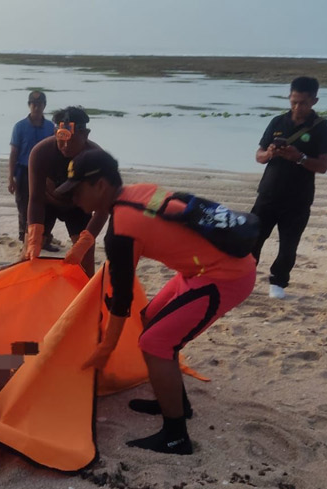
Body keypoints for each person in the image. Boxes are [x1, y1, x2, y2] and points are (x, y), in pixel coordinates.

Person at [58, 150, 255, 454]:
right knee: (150, 318)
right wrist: (87, 237)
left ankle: (176, 436)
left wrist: (106, 348)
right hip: (199, 269)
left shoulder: (122, 231)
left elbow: (122, 297)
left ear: (99, 186)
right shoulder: (137, 191)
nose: (73, 199)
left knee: (153, 343)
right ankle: (176, 401)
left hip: (224, 276)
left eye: (76, 191)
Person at [251, 76, 327, 299]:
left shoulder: (322, 127)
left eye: (303, 103)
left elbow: (323, 166)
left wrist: (299, 157)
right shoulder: (278, 122)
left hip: (298, 198)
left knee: (288, 245)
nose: (298, 107)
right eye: (294, 101)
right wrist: (269, 153)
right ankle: (244, 279)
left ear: (314, 101)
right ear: (289, 97)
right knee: (253, 239)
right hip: (268, 193)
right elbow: (258, 156)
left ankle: (278, 282)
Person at [24, 106, 107, 276]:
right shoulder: (40, 153)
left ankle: (83, 297)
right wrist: (34, 240)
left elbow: (102, 210)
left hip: (78, 207)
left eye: (73, 140)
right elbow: (35, 199)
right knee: (29, 253)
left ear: (86, 134)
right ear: (55, 133)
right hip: (46, 203)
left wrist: (84, 243)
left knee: (85, 256)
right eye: (61, 139)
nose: (66, 146)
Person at [8, 90, 58, 250]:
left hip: (45, 172)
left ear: (44, 106)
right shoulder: (20, 126)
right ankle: (26, 239)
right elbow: (14, 153)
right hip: (24, 171)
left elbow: (56, 151)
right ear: (29, 105)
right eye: (34, 104)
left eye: (40, 104)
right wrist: (11, 177)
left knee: (47, 206)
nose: (36, 108)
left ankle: (44, 239)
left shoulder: (51, 127)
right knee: (23, 205)